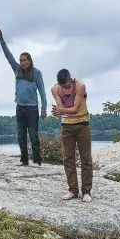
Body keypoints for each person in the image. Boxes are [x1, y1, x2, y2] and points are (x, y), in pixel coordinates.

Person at [0, 27, 47, 166]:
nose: (23, 62)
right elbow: (8, 56)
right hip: (20, 107)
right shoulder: (17, 70)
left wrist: (44, 109)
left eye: (25, 60)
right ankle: (24, 159)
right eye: (21, 60)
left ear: (30, 61)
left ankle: (37, 160)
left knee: (33, 135)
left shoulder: (36, 73)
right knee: (21, 135)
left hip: (32, 109)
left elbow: (42, 91)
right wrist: (2, 41)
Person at [51, 69, 93, 203]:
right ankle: (73, 190)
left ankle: (86, 191)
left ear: (71, 79)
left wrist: (61, 111)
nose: (66, 88)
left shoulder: (80, 85)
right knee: (68, 158)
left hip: (83, 124)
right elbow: (61, 107)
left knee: (85, 158)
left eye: (68, 85)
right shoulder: (55, 89)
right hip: (67, 126)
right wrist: (61, 111)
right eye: (63, 86)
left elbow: (74, 108)